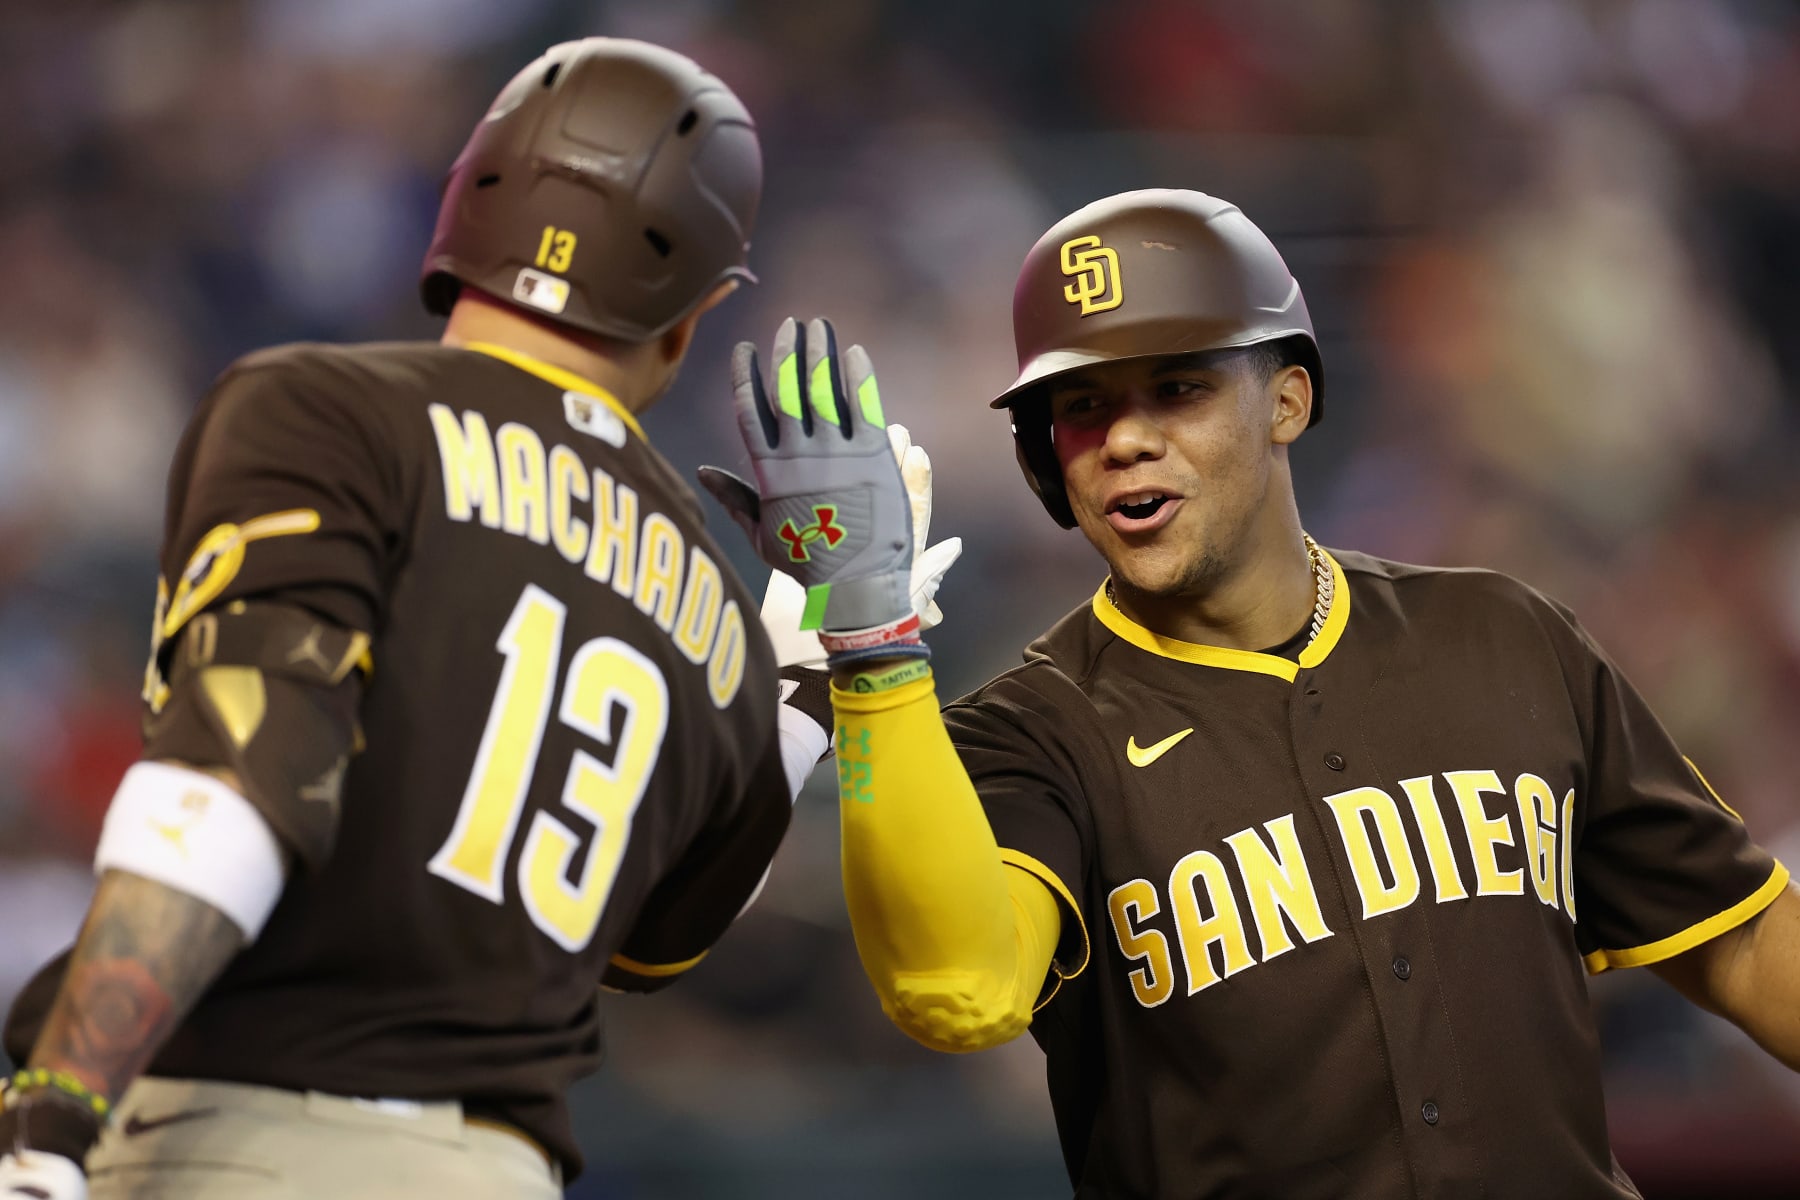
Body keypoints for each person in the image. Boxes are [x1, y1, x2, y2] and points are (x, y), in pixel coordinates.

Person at [714, 189, 1800, 1199]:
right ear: (1046, 461)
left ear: (1287, 398)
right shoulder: (1030, 737)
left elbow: (1738, 936)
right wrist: (870, 640)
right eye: (1082, 407)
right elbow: (959, 989)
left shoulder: (1501, 635)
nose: (1125, 437)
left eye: (1177, 388)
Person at [0, 36, 801, 1200]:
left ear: (463, 207)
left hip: (235, 1141)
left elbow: (235, 784)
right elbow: (658, 943)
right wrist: (830, 657)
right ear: (696, 312)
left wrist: (58, 1114)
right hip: (493, 1172)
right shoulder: (724, 607)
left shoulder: (329, 411)